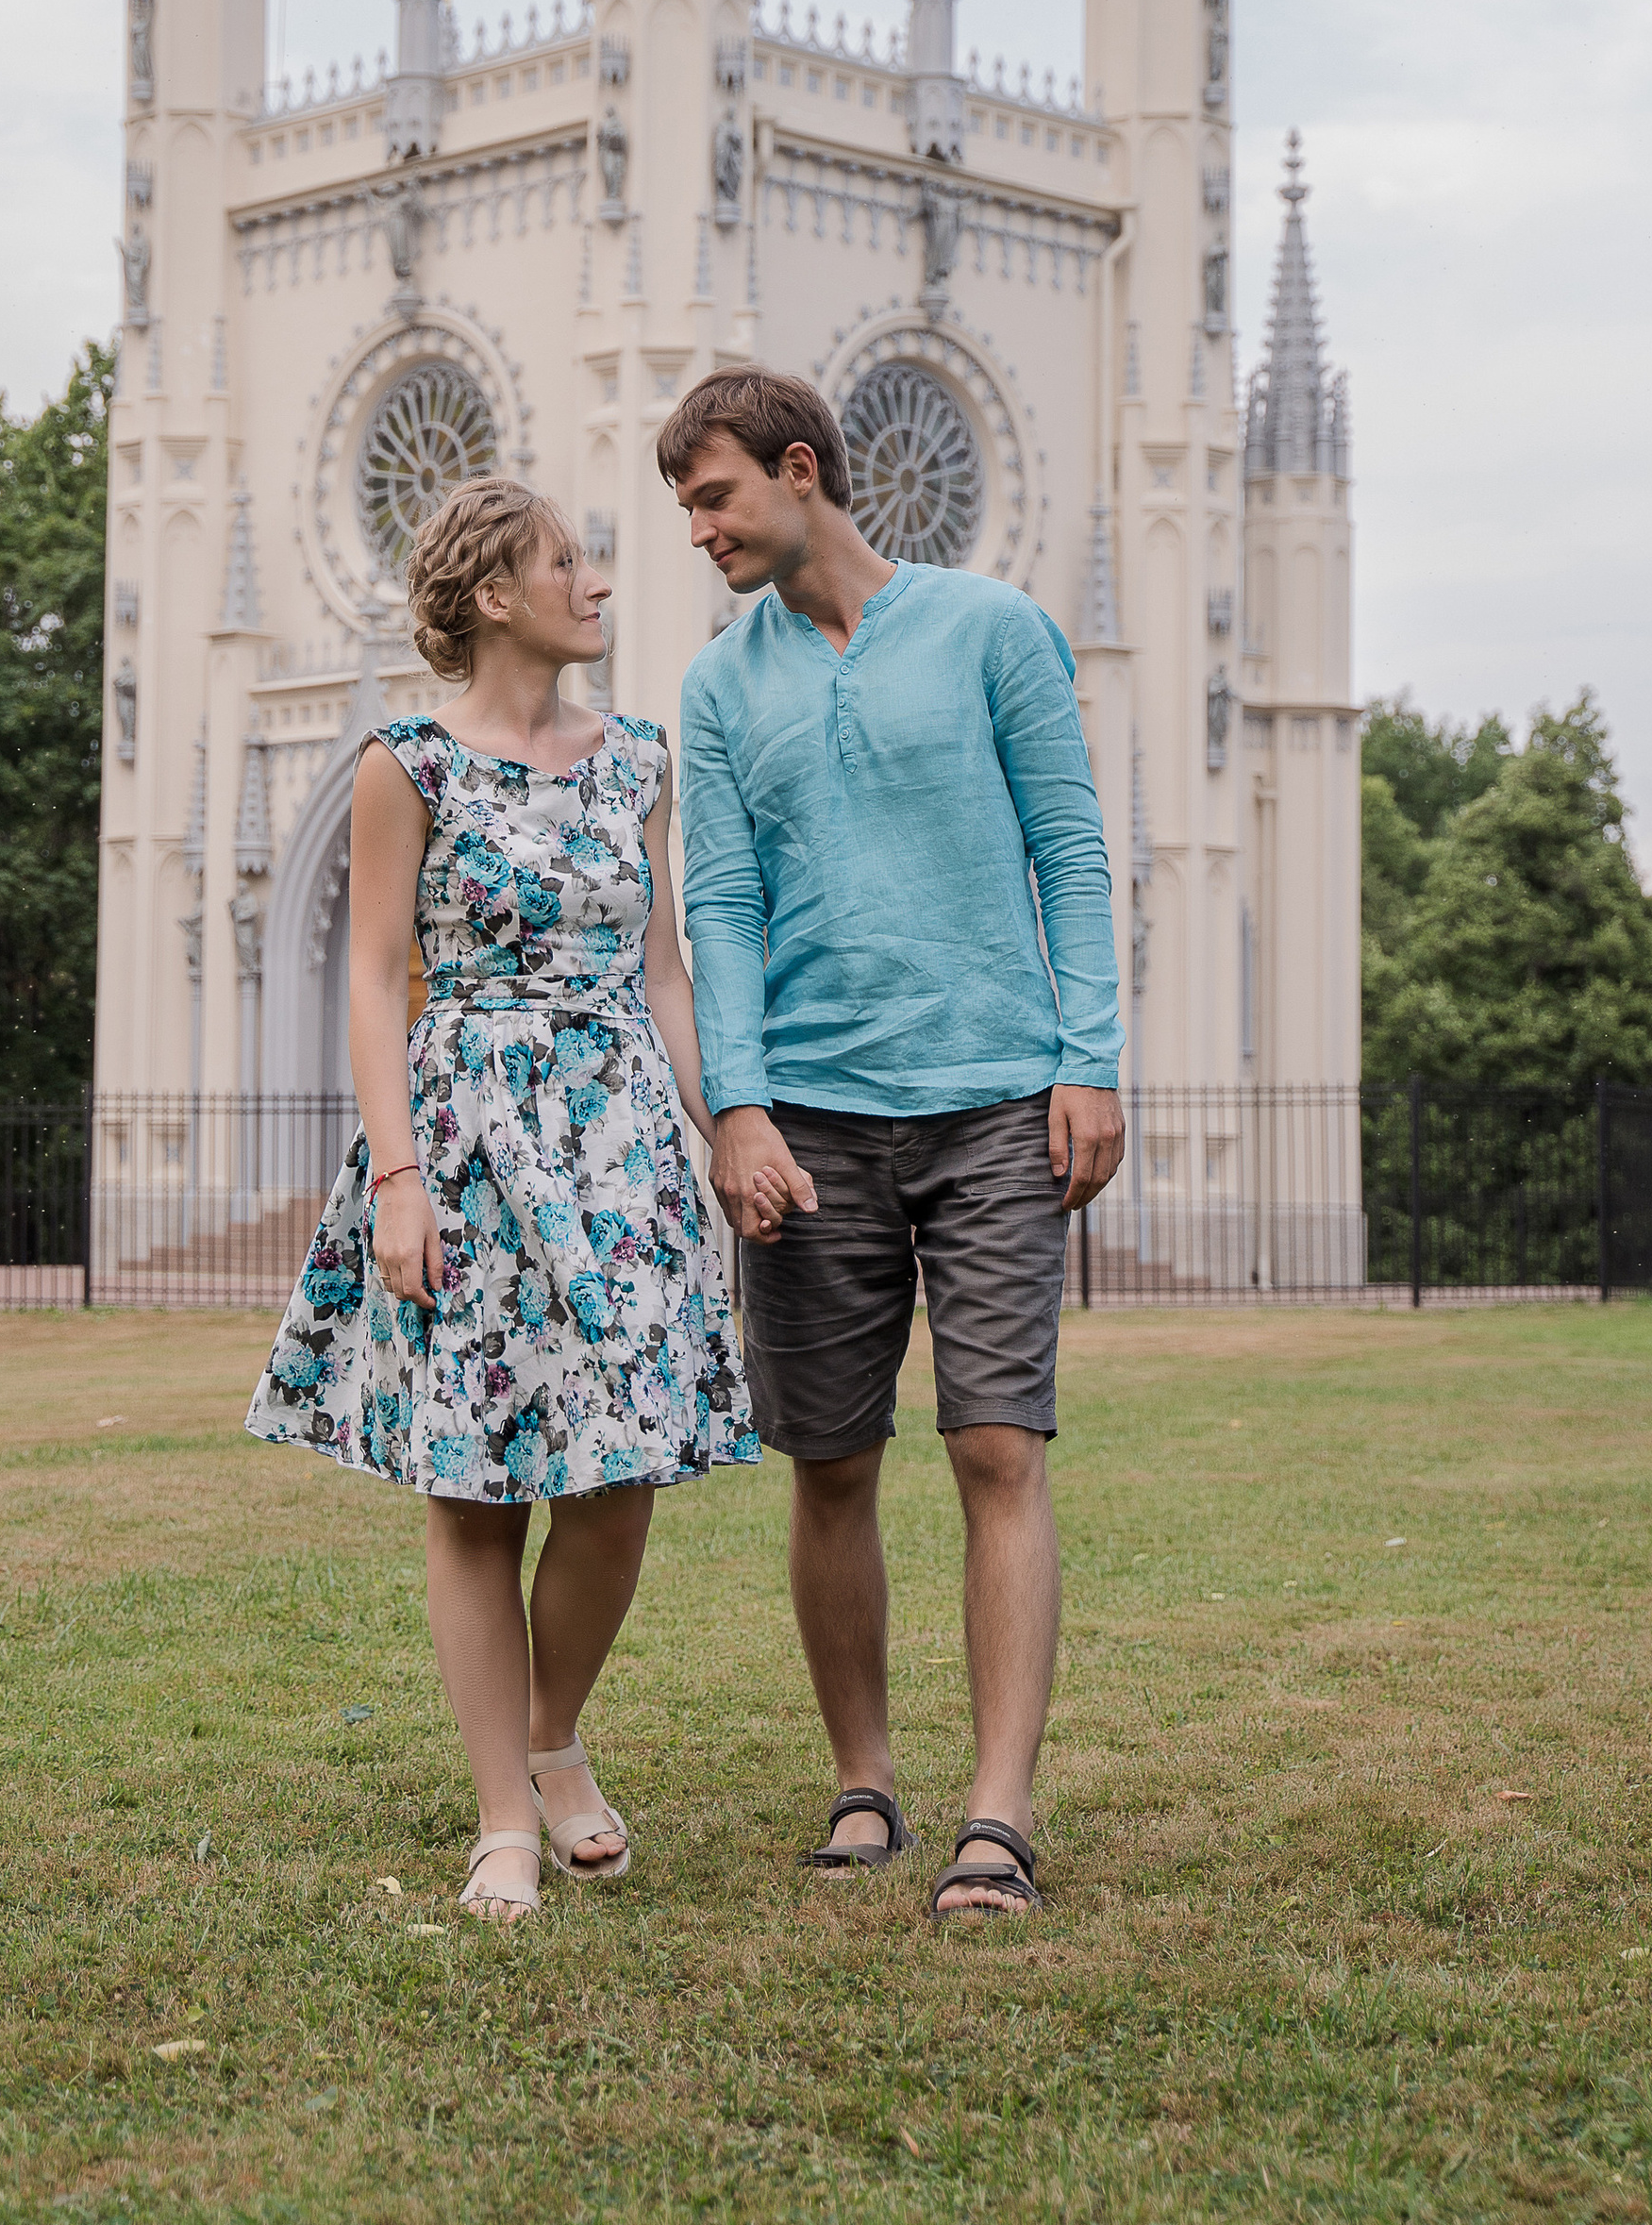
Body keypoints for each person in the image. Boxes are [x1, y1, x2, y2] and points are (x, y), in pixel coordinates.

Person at [247, 477, 758, 1921]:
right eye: (565, 562)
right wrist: (398, 1180)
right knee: (475, 1492)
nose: (597, 583)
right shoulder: (404, 766)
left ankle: (553, 1738)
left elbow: (662, 971)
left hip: (622, 1151)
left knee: (620, 1475)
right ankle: (502, 1818)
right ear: (491, 596)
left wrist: (727, 1130)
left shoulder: (639, 761)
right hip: (465, 1138)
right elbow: (371, 982)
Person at [658, 369, 1125, 1921]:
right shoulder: (718, 686)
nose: (699, 530)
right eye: (686, 507)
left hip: (996, 1099)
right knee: (831, 1464)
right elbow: (721, 906)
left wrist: (1088, 1059)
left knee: (998, 1444)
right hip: (809, 1123)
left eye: (715, 496)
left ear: (801, 470)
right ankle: (864, 1783)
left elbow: (1070, 850)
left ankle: (1000, 1814)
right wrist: (737, 1106)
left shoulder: (994, 631)